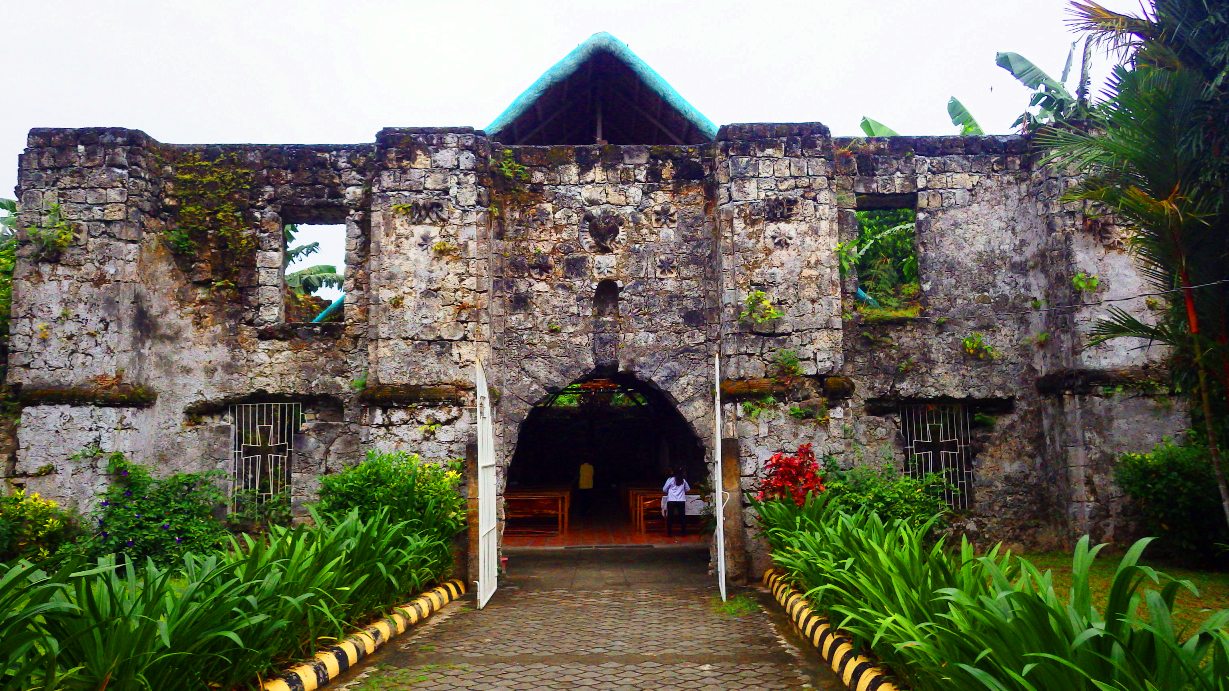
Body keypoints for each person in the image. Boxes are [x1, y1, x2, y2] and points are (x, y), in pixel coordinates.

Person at [662, 469, 690, 537]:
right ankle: (683, 532)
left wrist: (670, 491)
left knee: (670, 517)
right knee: (682, 517)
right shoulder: (683, 480)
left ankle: (669, 533)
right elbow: (688, 489)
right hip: (681, 500)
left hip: (671, 500)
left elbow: (664, 489)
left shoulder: (670, 479)